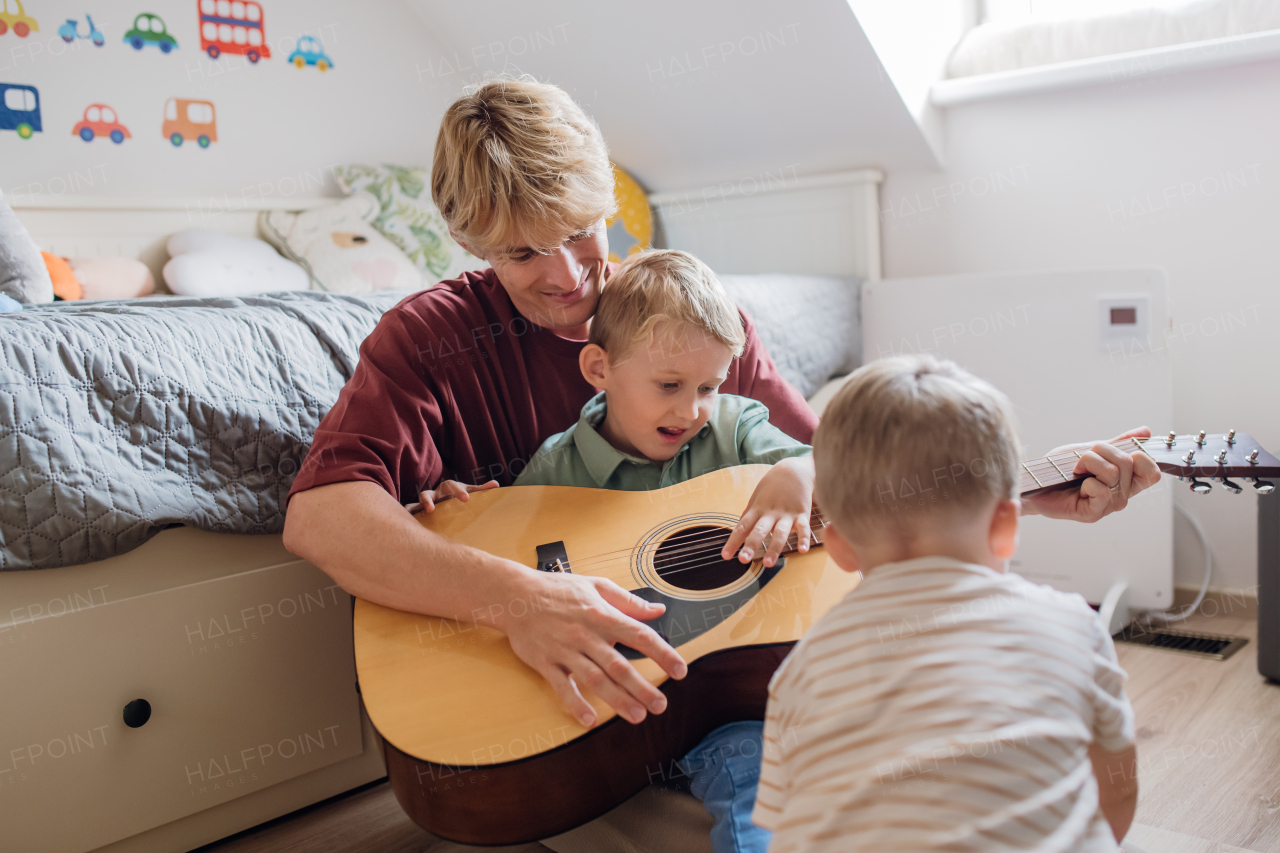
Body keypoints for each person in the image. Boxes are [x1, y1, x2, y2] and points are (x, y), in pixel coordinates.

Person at [282, 76, 1159, 852]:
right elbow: (321, 516)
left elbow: (836, 473)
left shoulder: (688, 316)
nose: (567, 278)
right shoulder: (431, 335)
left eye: (584, 234)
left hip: (712, 684)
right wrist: (521, 598)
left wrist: (1024, 497)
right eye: (522, 252)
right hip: (553, 701)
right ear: (471, 243)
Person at [428, 249, 811, 853]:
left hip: (737, 696)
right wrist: (459, 513)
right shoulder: (559, 465)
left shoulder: (735, 427)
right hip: (630, 699)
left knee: (775, 781)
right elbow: (499, 554)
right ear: (599, 368)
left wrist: (800, 472)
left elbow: (831, 466)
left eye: (709, 386)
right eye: (668, 385)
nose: (691, 410)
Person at [753, 354, 1140, 853]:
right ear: (1007, 525)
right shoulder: (1074, 626)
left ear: (840, 547)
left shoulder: (799, 672)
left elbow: (790, 825)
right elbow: (1118, 788)